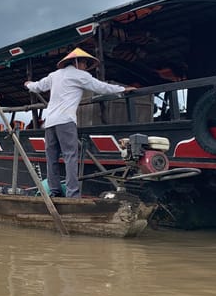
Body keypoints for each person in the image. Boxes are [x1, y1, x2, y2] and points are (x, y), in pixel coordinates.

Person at [24, 47, 135, 198]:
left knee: (52, 157)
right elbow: (100, 87)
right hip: (65, 121)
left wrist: (28, 84)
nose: (85, 66)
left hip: (50, 122)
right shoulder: (80, 75)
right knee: (70, 156)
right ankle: (72, 194)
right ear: (77, 62)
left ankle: (55, 191)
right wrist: (122, 89)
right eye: (84, 63)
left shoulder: (54, 75)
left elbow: (38, 86)